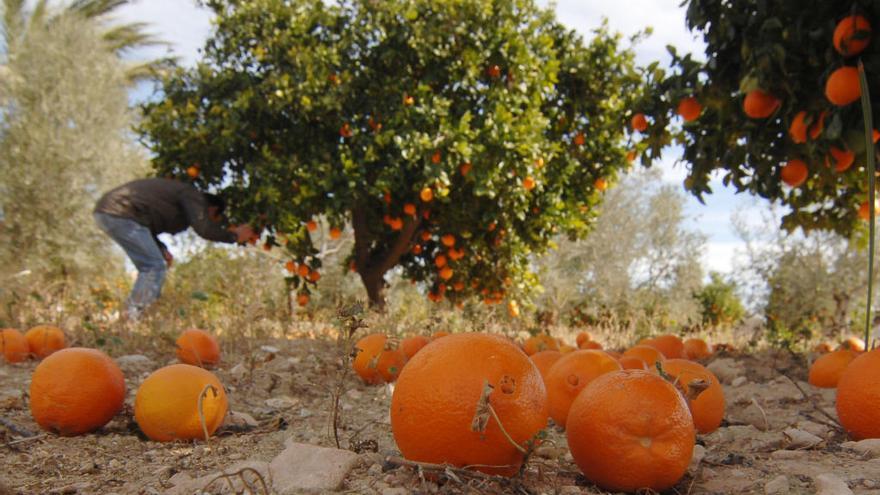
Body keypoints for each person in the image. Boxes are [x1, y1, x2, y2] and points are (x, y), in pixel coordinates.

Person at [94, 177, 254, 320]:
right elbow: (204, 228)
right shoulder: (193, 196)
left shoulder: (182, 197)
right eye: (213, 218)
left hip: (112, 212)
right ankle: (133, 315)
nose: (210, 220)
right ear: (212, 209)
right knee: (153, 266)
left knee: (155, 263)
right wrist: (234, 236)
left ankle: (135, 313)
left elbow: (146, 227)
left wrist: (161, 249)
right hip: (120, 213)